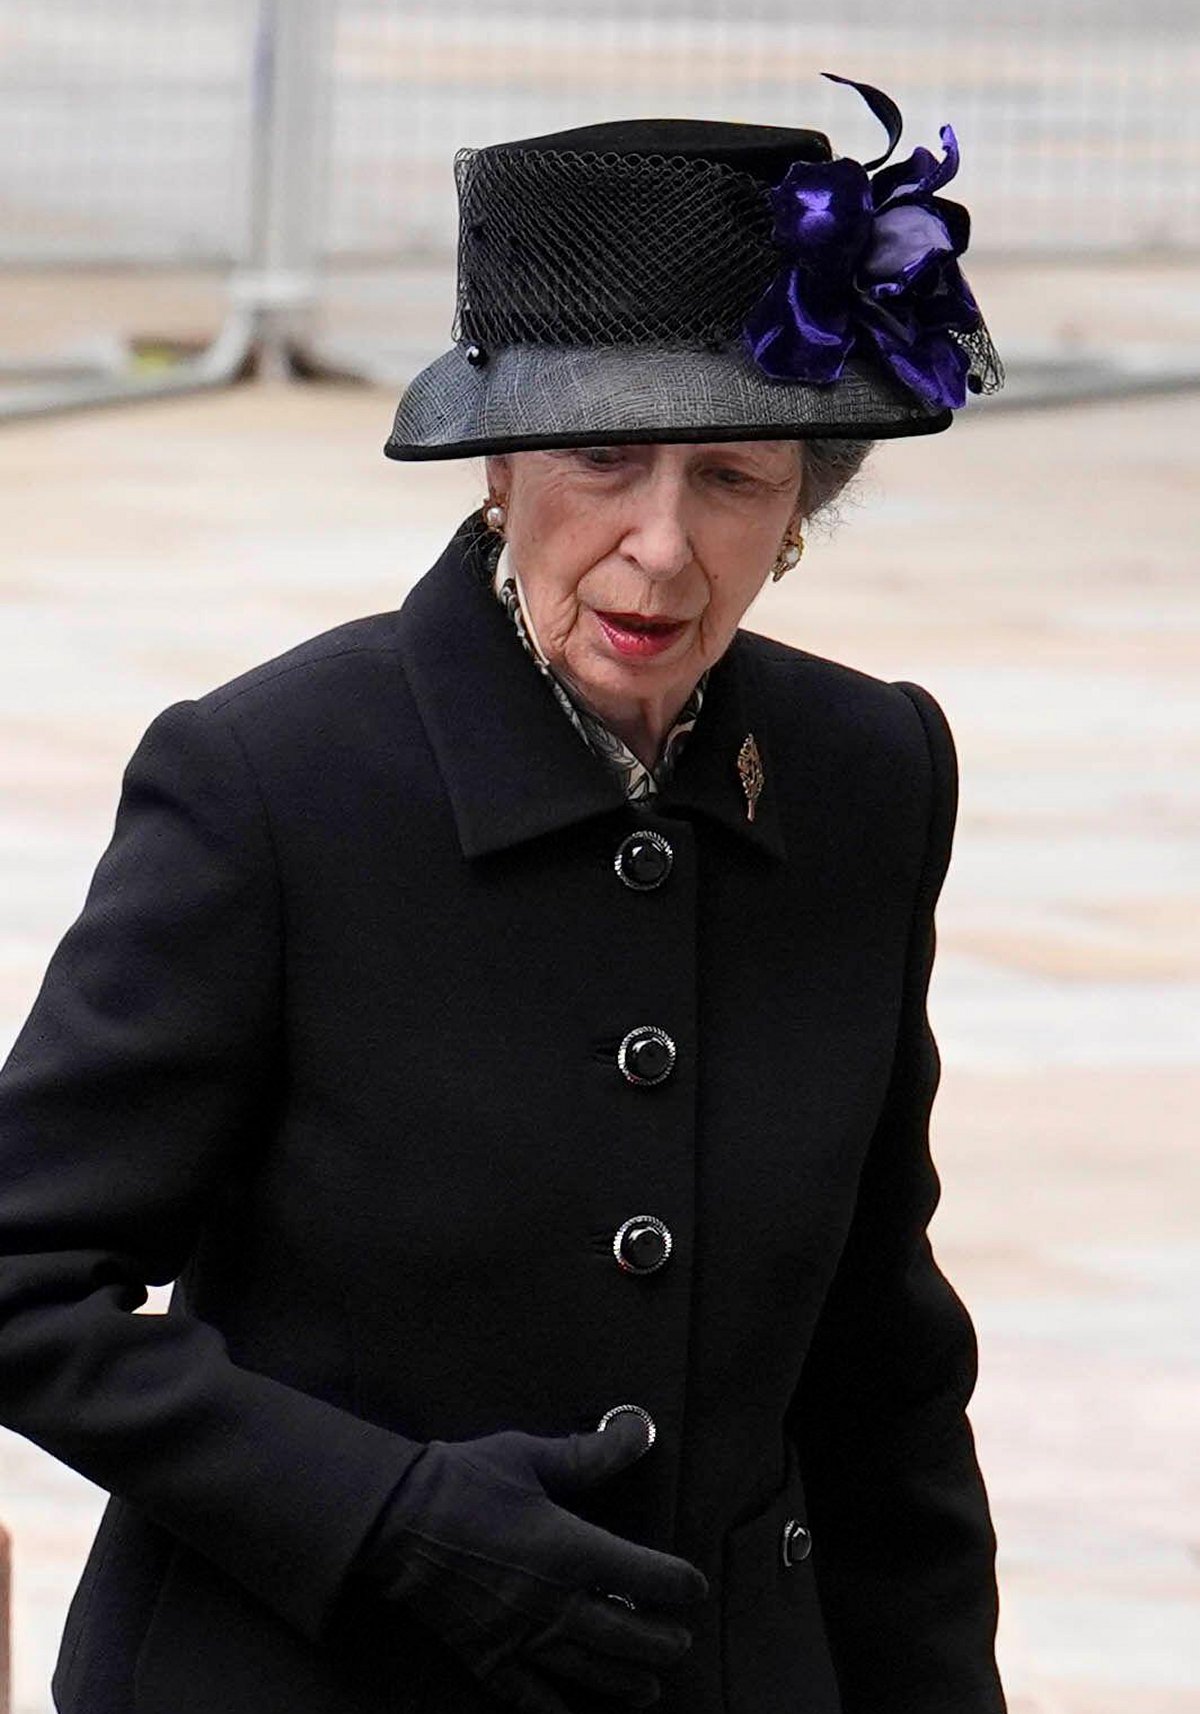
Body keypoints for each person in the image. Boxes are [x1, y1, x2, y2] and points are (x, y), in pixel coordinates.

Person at [0, 73, 1008, 1714]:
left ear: (802, 514)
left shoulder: (870, 772)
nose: (661, 549)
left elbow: (879, 1363)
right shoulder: (269, 783)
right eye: (604, 458)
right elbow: (22, 1279)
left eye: (735, 477)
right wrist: (384, 1519)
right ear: (498, 466)